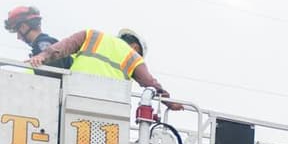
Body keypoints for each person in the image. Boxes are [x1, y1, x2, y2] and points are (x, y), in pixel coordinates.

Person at [28, 28, 181, 110]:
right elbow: (151, 84)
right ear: (135, 47)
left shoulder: (92, 36)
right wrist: (170, 103)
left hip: (74, 96)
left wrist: (42, 56)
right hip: (109, 107)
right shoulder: (132, 56)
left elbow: (62, 47)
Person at [3, 5, 72, 68]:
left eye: (18, 32)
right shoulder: (47, 43)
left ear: (24, 27)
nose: (18, 37)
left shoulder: (42, 45)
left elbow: (53, 75)